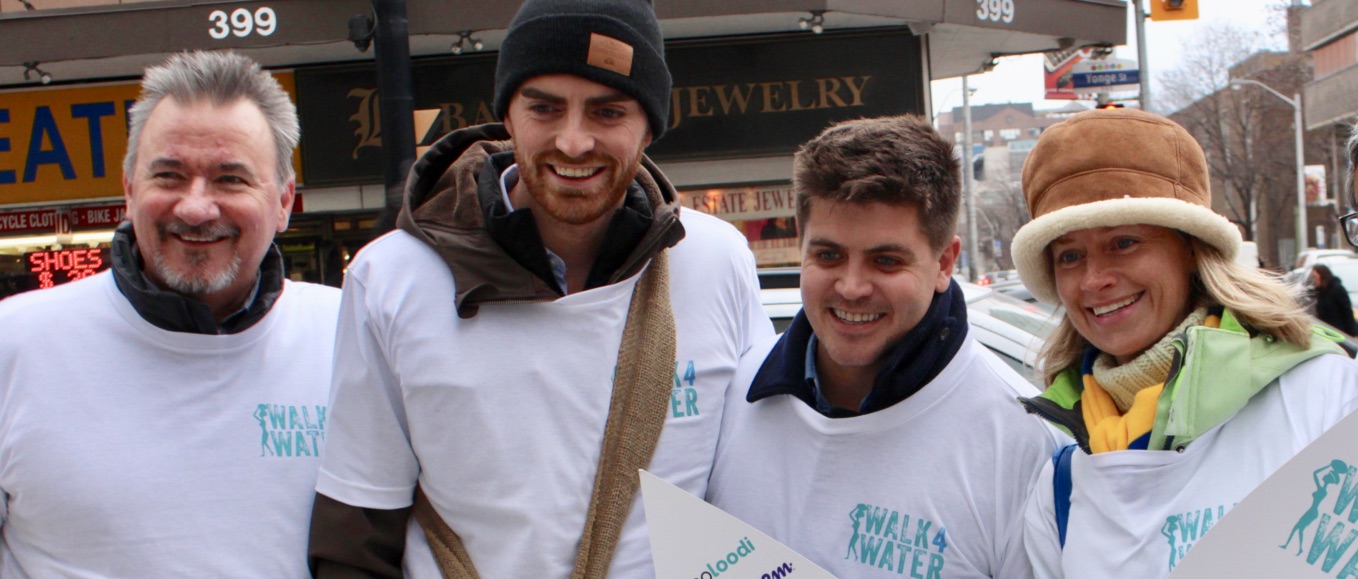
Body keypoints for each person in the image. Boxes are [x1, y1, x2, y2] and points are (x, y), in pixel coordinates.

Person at [308, 0, 771, 576]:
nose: (573, 142)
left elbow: (763, 484)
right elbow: (356, 537)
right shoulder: (393, 278)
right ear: (507, 114)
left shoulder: (715, 260)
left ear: (650, 125)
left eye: (608, 112)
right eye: (545, 108)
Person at [0, 51, 339, 576]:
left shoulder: (350, 336)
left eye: (231, 179)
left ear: (283, 202)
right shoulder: (15, 342)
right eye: (169, 175)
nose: (196, 208)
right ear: (129, 189)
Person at [705, 115, 1065, 578]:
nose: (852, 287)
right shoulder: (729, 393)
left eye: (886, 261)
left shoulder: (1024, 441)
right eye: (828, 255)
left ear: (944, 263)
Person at [1013, 108, 1358, 578]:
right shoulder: (1060, 486)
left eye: (1124, 242)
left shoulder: (1324, 398)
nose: (1094, 279)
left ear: (1192, 249)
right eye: (1070, 255)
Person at [1311, 264, 1358, 335]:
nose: (1313, 280)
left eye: (1314, 277)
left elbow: (1347, 312)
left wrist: (1354, 333)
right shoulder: (1321, 291)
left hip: (1340, 332)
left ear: (1322, 275)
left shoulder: (1337, 289)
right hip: (1327, 330)